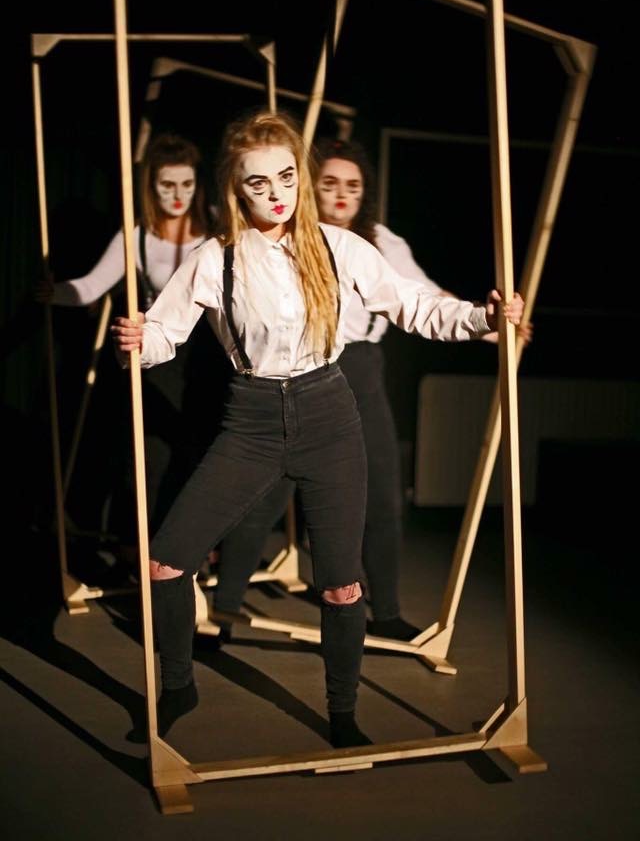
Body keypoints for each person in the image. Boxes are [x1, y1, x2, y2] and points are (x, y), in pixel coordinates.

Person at [111, 110, 524, 748]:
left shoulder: (339, 247)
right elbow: (164, 335)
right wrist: (137, 342)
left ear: (299, 176)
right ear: (236, 188)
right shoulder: (215, 259)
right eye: (258, 183)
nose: (276, 194)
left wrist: (481, 320)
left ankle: (342, 714)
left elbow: (414, 305)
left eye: (286, 177)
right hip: (250, 420)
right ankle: (177, 686)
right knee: (165, 563)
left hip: (328, 416)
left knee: (340, 583)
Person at [211, 137, 529, 640]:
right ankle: (222, 609)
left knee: (382, 492)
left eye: (353, 186)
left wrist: (490, 327)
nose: (342, 195)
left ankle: (387, 613)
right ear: (310, 186)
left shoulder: (380, 242)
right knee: (268, 495)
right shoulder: (285, 238)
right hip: (299, 375)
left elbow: (423, 297)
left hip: (360, 371)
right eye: (330, 183)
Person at [36, 133, 219, 572]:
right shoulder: (137, 237)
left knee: (202, 451)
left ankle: (195, 546)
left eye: (186, 184)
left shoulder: (216, 226)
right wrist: (54, 293)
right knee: (152, 456)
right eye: (167, 185)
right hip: (160, 353)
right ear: (151, 186)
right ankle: (147, 549)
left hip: (209, 354)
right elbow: (90, 287)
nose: (178, 195)